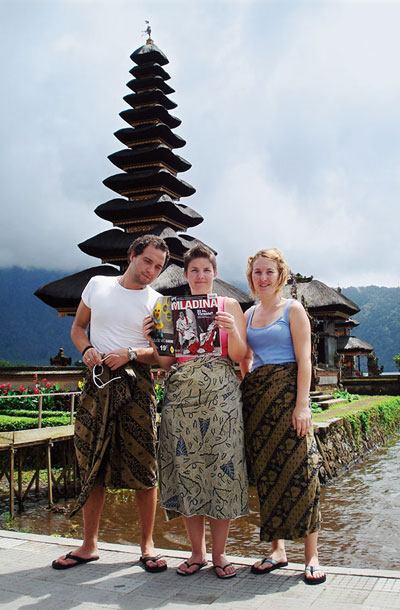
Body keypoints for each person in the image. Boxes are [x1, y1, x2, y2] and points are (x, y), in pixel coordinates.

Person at [52, 234, 169, 573]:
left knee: (144, 461)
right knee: (92, 460)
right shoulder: (97, 285)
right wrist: (86, 349)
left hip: (137, 385)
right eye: (147, 261)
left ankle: (147, 545)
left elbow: (165, 358)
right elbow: (78, 327)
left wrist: (132, 353)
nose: (151, 271)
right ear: (132, 255)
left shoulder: (158, 302)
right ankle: (89, 544)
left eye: (158, 267)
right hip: (98, 381)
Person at [143, 244, 249, 579]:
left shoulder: (230, 305)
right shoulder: (169, 308)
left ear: (214, 273)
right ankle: (196, 553)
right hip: (182, 394)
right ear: (185, 275)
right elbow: (166, 362)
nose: (201, 276)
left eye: (206, 270)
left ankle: (220, 554)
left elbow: (239, 355)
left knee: (222, 468)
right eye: (194, 271)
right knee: (187, 466)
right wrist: (155, 337)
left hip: (220, 394)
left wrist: (231, 330)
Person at [240, 248, 326, 585]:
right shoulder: (248, 314)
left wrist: (302, 405)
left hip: (289, 397)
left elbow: (305, 360)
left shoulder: (293, 309)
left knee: (304, 473)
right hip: (258, 401)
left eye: (269, 272)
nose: (263, 278)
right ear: (252, 278)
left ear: (280, 276)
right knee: (266, 474)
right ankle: (276, 549)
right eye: (257, 272)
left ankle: (312, 555)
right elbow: (245, 357)